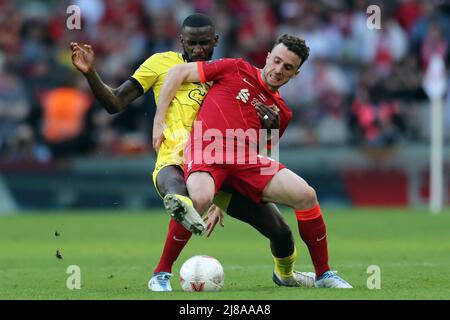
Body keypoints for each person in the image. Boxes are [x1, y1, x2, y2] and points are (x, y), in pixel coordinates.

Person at [71, 14, 314, 292]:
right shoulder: (160, 64)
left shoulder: (226, 72)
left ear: (215, 41)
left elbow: (249, 141)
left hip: (220, 164)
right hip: (174, 157)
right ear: (181, 41)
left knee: (281, 232)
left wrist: (222, 195)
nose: (198, 50)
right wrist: (91, 74)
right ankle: (161, 274)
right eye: (192, 43)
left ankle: (286, 275)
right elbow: (115, 103)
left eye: (204, 44)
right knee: (180, 197)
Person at [158, 34, 353, 288]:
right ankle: (161, 273)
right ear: (268, 56)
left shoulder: (280, 112)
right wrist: (158, 119)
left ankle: (324, 274)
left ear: (295, 74)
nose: (279, 70)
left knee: (305, 196)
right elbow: (178, 72)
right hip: (208, 149)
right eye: (277, 61)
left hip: (245, 162)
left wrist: (269, 130)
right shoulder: (236, 68)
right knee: (200, 199)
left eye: (288, 68)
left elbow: (262, 154)